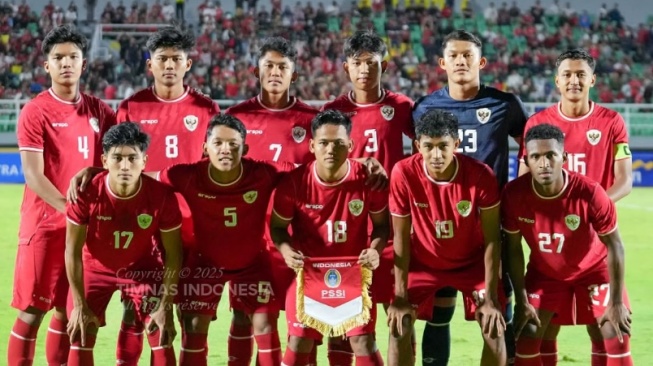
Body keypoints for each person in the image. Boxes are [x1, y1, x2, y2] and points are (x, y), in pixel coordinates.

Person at [412, 29, 528, 365]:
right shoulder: (425, 107)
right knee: (439, 310)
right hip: (442, 225)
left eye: (468, 55)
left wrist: (518, 191)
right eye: (454, 56)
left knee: (498, 310)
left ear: (482, 61)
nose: (461, 61)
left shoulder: (504, 104)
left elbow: (529, 148)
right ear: (441, 63)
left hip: (492, 224)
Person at [9, 24, 116, 366]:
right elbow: (33, 174)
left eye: (73, 57)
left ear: (84, 64)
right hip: (45, 226)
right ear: (46, 65)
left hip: (86, 231)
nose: (66, 63)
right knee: (32, 310)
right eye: (58, 58)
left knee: (66, 311)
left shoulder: (100, 111)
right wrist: (69, 209)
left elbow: (118, 159)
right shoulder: (35, 111)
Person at [518, 49, 633, 365]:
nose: (574, 80)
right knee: (543, 327)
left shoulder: (611, 122)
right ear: (557, 81)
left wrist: (592, 210)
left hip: (596, 238)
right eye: (567, 74)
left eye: (581, 74)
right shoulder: (538, 124)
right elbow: (523, 183)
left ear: (592, 80)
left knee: (605, 329)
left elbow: (625, 179)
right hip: (549, 244)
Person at [115, 25, 220, 364]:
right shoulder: (131, 107)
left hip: (193, 231)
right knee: (136, 315)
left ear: (189, 64)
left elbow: (214, 171)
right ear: (150, 64)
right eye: (163, 59)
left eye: (177, 59)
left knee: (192, 323)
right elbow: (117, 171)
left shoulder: (207, 110)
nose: (170, 65)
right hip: (143, 229)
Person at [321, 29, 415, 364]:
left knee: (399, 314)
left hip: (391, 225)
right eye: (358, 63)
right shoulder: (333, 112)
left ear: (384, 66)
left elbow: (423, 154)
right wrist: (360, 163)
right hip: (346, 227)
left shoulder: (402, 107)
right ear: (347, 68)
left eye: (371, 63)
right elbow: (317, 163)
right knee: (346, 318)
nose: (365, 70)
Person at [503, 124, 632, 366]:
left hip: (595, 271)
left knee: (616, 333)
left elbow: (615, 246)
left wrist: (616, 303)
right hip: (545, 276)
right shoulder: (513, 195)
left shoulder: (590, 192)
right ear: (526, 160)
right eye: (535, 157)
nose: (544, 164)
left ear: (564, 157)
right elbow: (512, 249)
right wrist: (521, 300)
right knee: (528, 334)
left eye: (551, 155)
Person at [387, 109, 507, 366]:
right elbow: (400, 236)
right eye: (429, 147)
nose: (437, 154)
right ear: (418, 145)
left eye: (444, 146)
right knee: (399, 324)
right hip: (423, 263)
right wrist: (399, 297)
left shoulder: (480, 175)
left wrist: (492, 298)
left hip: (471, 264)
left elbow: (492, 239)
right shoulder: (403, 173)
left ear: (457, 143)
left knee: (494, 327)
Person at [270, 109, 389, 366]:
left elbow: (382, 226)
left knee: (362, 341)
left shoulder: (369, 180)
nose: (330, 149)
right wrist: (287, 251)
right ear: (312, 145)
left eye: (338, 143)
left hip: (353, 272)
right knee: (299, 339)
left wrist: (375, 249)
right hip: (308, 273)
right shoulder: (293, 183)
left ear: (351, 145)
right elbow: (278, 227)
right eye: (323, 143)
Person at [225, 36, 318, 365]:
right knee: (246, 318)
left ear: (294, 75)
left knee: (303, 325)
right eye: (269, 66)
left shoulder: (312, 120)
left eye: (283, 67)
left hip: (299, 237)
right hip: (250, 239)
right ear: (256, 71)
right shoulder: (237, 118)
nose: (275, 72)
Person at [65, 122, 182, 365]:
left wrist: (166, 304)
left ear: (144, 160)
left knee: (160, 331)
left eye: (132, 157)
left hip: (142, 268)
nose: (125, 165)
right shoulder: (85, 193)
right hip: (94, 269)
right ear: (104, 161)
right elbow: (72, 251)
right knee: (80, 330)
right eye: (117, 158)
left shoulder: (162, 197)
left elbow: (174, 254)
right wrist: (78, 304)